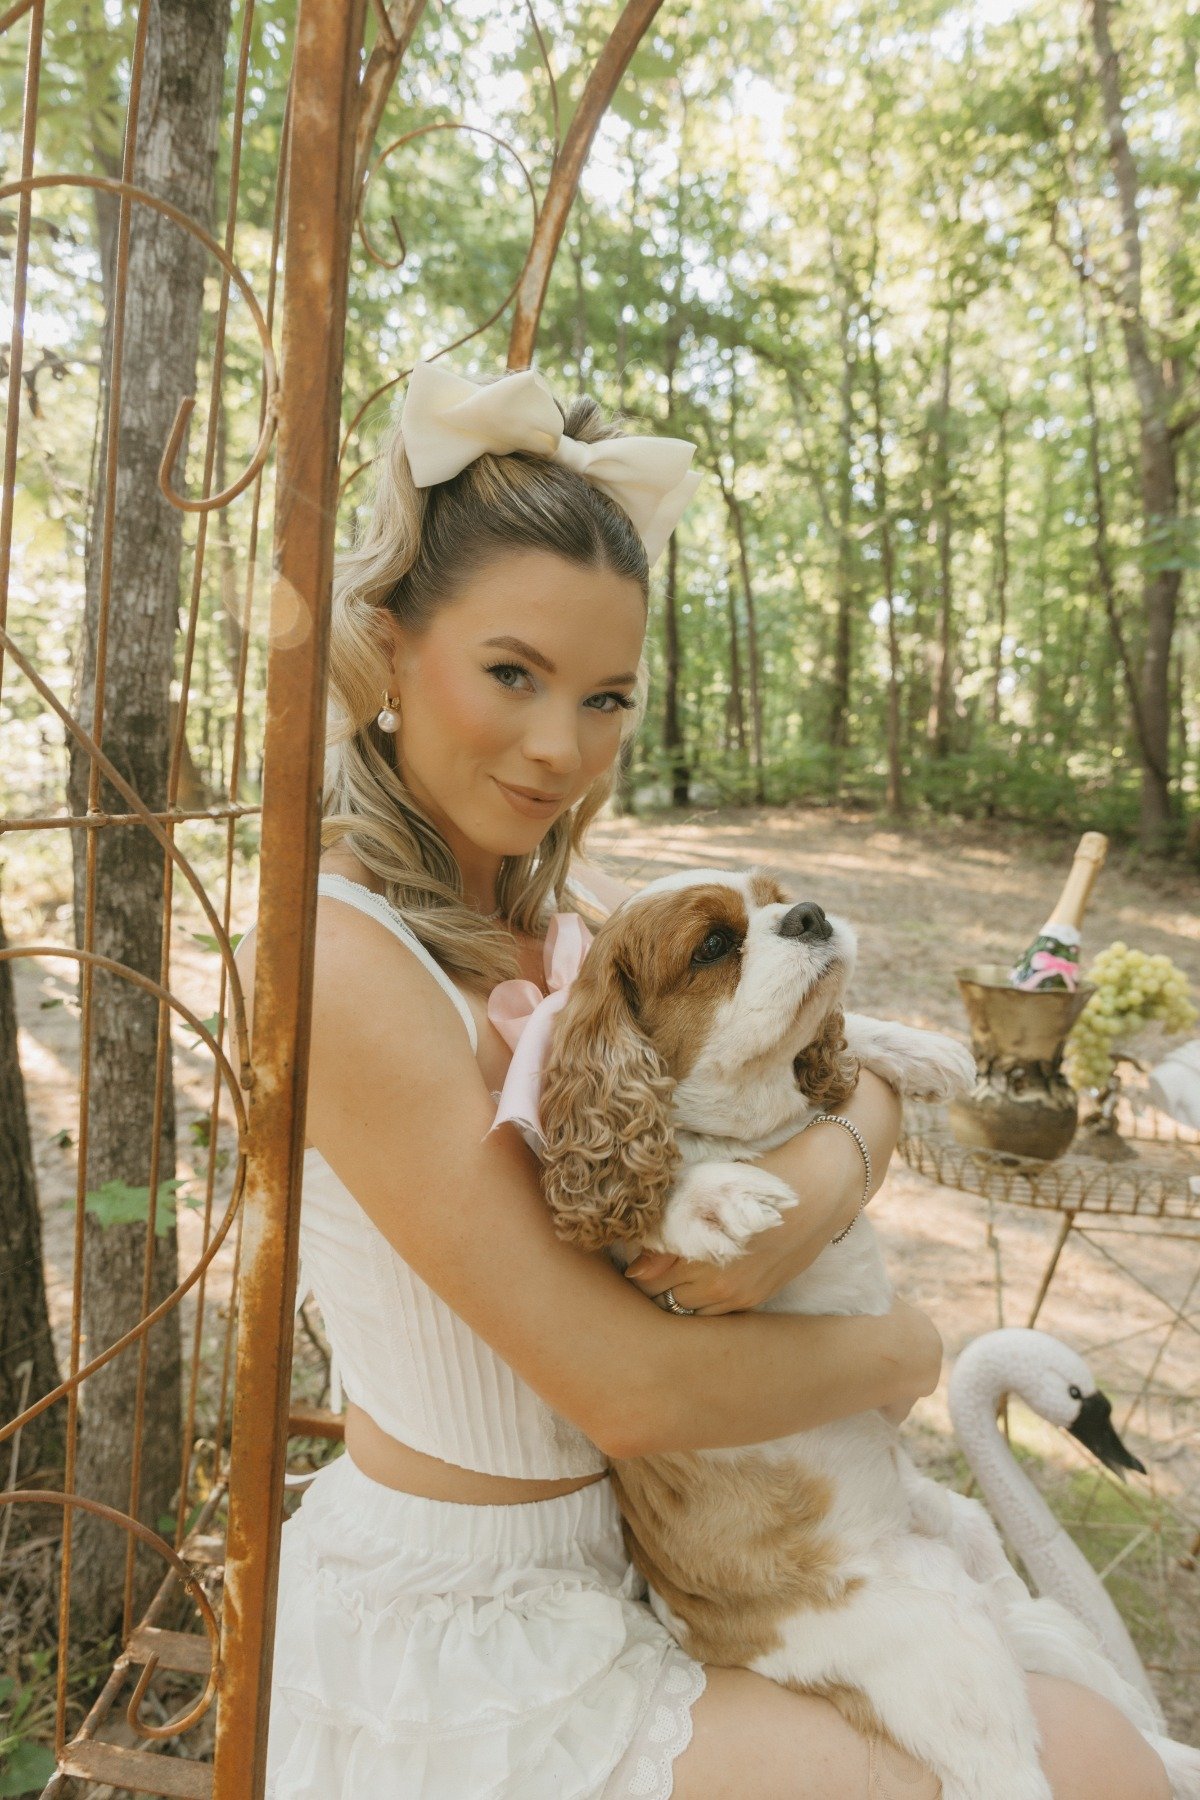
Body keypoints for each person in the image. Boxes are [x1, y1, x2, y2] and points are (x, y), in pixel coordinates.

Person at [238, 363, 1170, 1799]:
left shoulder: (565, 916)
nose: (564, 746)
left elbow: (852, 1077)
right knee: (1082, 1764)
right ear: (384, 646)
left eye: (606, 696)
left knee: (1082, 1723)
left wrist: (815, 1189)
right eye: (512, 673)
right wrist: (907, 1354)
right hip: (467, 1645)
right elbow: (626, 1385)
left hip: (651, 1568)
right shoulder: (345, 959)